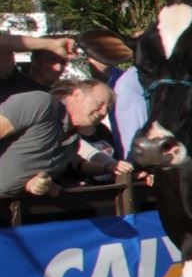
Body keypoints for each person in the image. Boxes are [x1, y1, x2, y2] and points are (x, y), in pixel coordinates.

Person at [0, 77, 128, 209]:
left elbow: (79, 165)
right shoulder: (42, 104)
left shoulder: (71, 142)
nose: (103, 112)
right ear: (77, 94)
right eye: (100, 103)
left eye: (108, 109)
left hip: (12, 210)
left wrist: (38, 184)